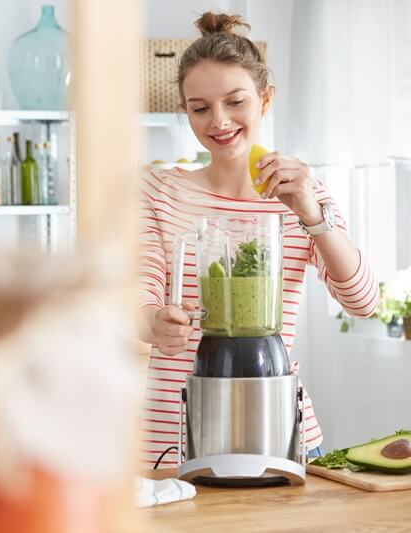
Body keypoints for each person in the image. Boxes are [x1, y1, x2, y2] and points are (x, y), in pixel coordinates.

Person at [138, 12, 379, 468]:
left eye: (236, 101)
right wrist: (155, 324)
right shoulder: (159, 190)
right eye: (200, 107)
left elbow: (362, 301)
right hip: (175, 437)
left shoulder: (304, 193)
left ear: (265, 100)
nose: (220, 121)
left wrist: (311, 213)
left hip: (281, 433)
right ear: (185, 111)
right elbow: (140, 293)